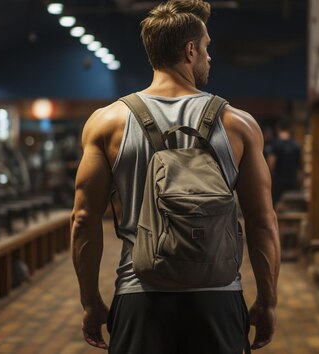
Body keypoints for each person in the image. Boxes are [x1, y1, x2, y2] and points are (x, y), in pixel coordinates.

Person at [70, 1, 280, 353]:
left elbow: (83, 219)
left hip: (140, 295)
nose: (209, 57)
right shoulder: (238, 124)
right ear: (190, 50)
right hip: (218, 296)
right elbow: (263, 221)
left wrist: (90, 301)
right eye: (207, 48)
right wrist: (268, 301)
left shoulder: (107, 123)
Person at [267, 122, 301, 205]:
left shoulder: (275, 144)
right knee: (291, 205)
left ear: (278, 129)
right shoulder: (296, 144)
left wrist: (270, 176)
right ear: (289, 130)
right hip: (292, 180)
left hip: (278, 181)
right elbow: (299, 166)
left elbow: (271, 162)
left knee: (277, 205)